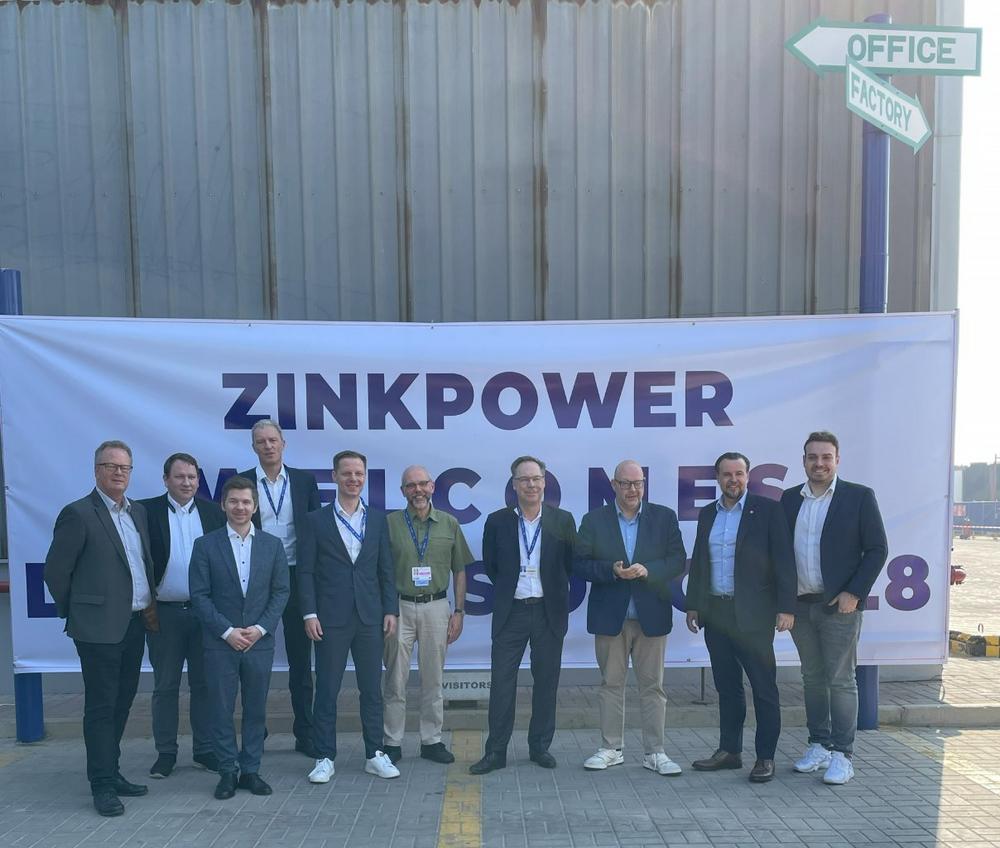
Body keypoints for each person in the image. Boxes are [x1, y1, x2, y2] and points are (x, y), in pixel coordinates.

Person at [44, 440, 157, 816]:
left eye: (125, 467)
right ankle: (102, 785)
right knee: (101, 706)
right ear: (96, 471)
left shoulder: (138, 512)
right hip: (97, 630)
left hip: (134, 624)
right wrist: (79, 613)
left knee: (122, 702)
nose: (119, 472)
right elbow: (56, 572)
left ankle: (112, 771)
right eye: (111, 466)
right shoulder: (78, 513)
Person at [780, 431, 888, 785]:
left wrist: (854, 592)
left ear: (837, 460)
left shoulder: (858, 497)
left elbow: (877, 549)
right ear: (804, 461)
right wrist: (783, 603)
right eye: (813, 457)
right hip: (801, 607)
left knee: (841, 680)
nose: (819, 463)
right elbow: (781, 555)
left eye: (826, 457)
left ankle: (843, 754)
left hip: (839, 607)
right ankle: (819, 744)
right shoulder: (789, 499)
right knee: (812, 677)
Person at [686, 452, 796, 783]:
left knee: (763, 688)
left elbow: (784, 560)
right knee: (727, 687)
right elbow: (700, 562)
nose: (733, 480)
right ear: (717, 478)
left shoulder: (768, 510)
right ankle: (730, 751)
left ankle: (765, 757)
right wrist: (694, 605)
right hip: (716, 613)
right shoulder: (708, 513)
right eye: (726, 474)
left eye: (739, 474)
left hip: (753, 615)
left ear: (748, 476)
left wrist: (786, 607)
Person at [574, 459, 687, 776]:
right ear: (613, 485)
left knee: (653, 687)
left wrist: (649, 570)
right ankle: (611, 748)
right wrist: (611, 570)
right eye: (625, 483)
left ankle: (655, 752)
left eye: (637, 483)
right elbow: (579, 563)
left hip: (651, 615)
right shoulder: (594, 520)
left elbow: (677, 560)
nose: (632, 489)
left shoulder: (664, 517)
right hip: (611, 617)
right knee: (611, 685)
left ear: (644, 484)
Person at [469, 456, 576, 774]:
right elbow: (493, 566)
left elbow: (569, 564)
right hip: (511, 612)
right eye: (524, 479)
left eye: (536, 478)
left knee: (546, 682)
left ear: (544, 482)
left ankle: (539, 747)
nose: (531, 484)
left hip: (547, 612)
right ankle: (496, 751)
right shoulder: (497, 521)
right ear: (514, 485)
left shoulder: (563, 520)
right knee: (502, 683)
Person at [299, 450, 400, 783]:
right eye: (347, 473)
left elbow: (386, 569)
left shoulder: (379, 520)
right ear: (334, 476)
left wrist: (390, 609)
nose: (353, 479)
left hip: (370, 616)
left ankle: (375, 754)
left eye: (359, 474)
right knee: (327, 690)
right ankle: (324, 757)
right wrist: (309, 613)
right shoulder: (316, 520)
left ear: (365, 477)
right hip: (330, 617)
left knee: (371, 690)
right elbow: (306, 571)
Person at [189, 475, 290, 800]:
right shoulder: (205, 545)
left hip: (259, 642)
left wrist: (260, 629)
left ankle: (250, 770)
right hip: (220, 643)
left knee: (256, 709)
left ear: (255, 506)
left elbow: (281, 591)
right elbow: (200, 595)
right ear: (223, 505)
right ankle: (227, 771)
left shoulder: (272, 546)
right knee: (220, 709)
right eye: (233, 501)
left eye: (246, 501)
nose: (240, 507)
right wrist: (227, 631)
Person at [139, 452, 226, 778]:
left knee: (204, 685)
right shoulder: (145, 512)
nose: (186, 482)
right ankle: (166, 753)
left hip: (205, 614)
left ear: (198, 480)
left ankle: (204, 750)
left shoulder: (213, 513)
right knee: (165, 687)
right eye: (179, 477)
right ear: (166, 480)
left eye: (191, 477)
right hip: (165, 614)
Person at [240, 419, 321, 757]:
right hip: (257, 578)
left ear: (283, 444)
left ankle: (305, 733)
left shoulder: (304, 481)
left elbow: (316, 531)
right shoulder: (243, 482)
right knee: (254, 661)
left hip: (297, 577)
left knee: (301, 664)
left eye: (273, 440)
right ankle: (255, 735)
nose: (268, 446)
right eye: (261, 441)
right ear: (253, 447)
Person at [382, 465, 474, 765]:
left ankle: (431, 741)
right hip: (399, 608)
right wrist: (386, 609)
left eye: (422, 484)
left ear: (432, 487)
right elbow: (380, 570)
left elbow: (459, 570)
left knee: (433, 678)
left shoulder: (449, 523)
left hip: (437, 607)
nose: (417, 490)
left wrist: (459, 611)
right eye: (411, 486)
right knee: (395, 678)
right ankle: (392, 742)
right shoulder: (389, 524)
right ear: (402, 491)